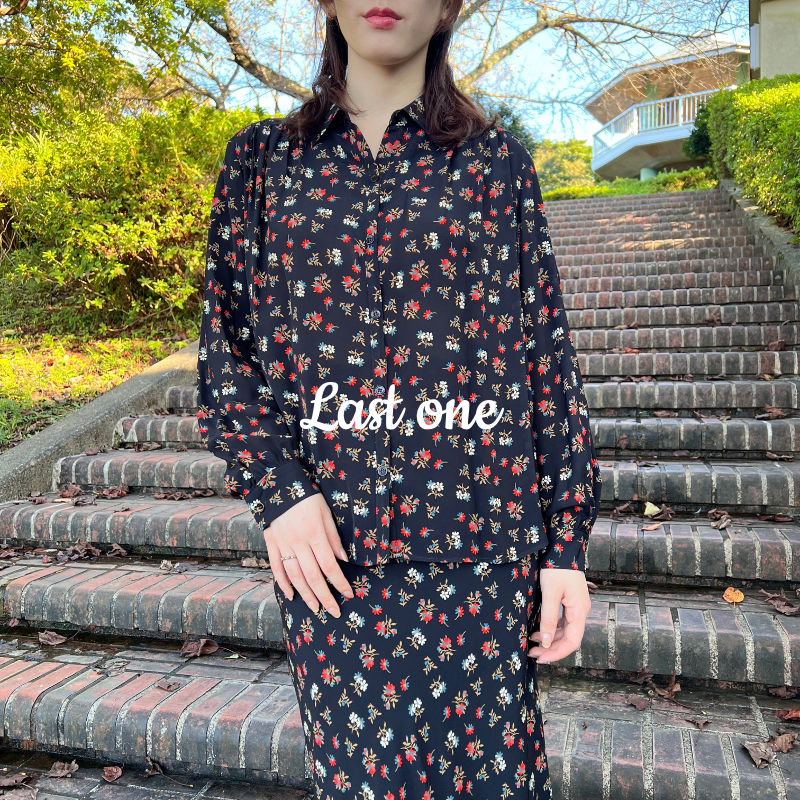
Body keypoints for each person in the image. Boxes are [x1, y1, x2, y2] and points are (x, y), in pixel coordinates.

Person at [196, 0, 602, 796]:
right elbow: (226, 350)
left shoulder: (497, 166)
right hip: (331, 556)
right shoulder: (261, 164)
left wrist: (566, 547)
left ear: (449, 7)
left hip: (482, 547)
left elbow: (544, 359)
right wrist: (280, 492)